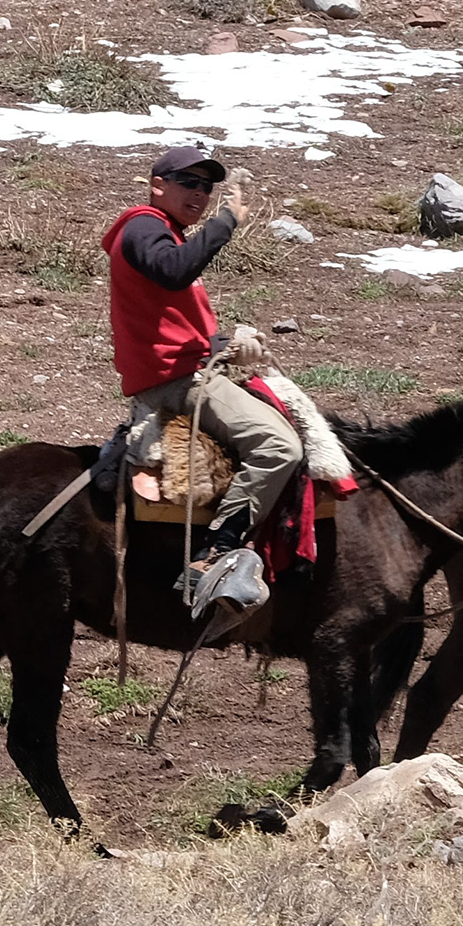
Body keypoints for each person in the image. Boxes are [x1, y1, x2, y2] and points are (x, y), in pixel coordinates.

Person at [103, 141, 302, 615]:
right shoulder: (143, 227)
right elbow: (174, 273)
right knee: (281, 446)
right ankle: (213, 553)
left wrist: (227, 346)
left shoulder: (163, 232)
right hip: (176, 381)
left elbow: (169, 324)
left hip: (185, 369)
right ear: (158, 185)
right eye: (188, 182)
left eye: (207, 187)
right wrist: (227, 221)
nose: (200, 192)